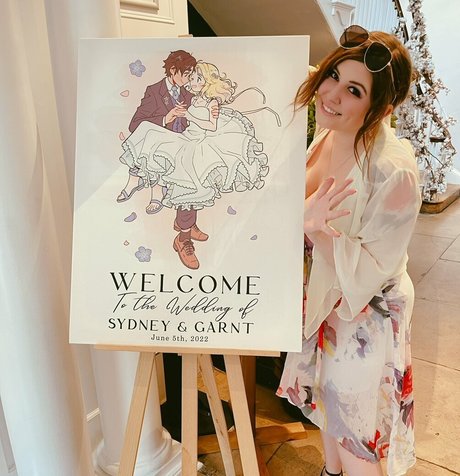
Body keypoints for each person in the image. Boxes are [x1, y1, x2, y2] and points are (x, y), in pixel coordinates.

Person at [277, 25, 422, 476]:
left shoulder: (393, 171)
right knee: (326, 409)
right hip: (323, 295)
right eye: (334, 75)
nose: (332, 94)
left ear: (382, 109)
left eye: (354, 90)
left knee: (356, 438)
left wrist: (316, 231)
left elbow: (375, 268)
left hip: (364, 315)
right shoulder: (330, 133)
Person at [120, 61, 269, 269]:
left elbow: (211, 126)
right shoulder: (192, 97)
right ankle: (184, 233)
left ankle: (185, 231)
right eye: (192, 77)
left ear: (207, 82)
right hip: (186, 141)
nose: (193, 81)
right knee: (186, 183)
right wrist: (177, 113)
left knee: (195, 186)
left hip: (200, 145)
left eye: (198, 78)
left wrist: (188, 115)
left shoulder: (211, 102)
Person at [117, 50, 197, 215]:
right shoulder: (154, 91)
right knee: (150, 132)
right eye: (186, 74)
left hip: (180, 144)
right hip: (157, 144)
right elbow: (135, 124)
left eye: (191, 75)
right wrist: (166, 118)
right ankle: (136, 178)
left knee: (158, 140)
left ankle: (152, 187)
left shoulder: (189, 95)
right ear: (173, 70)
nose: (188, 79)